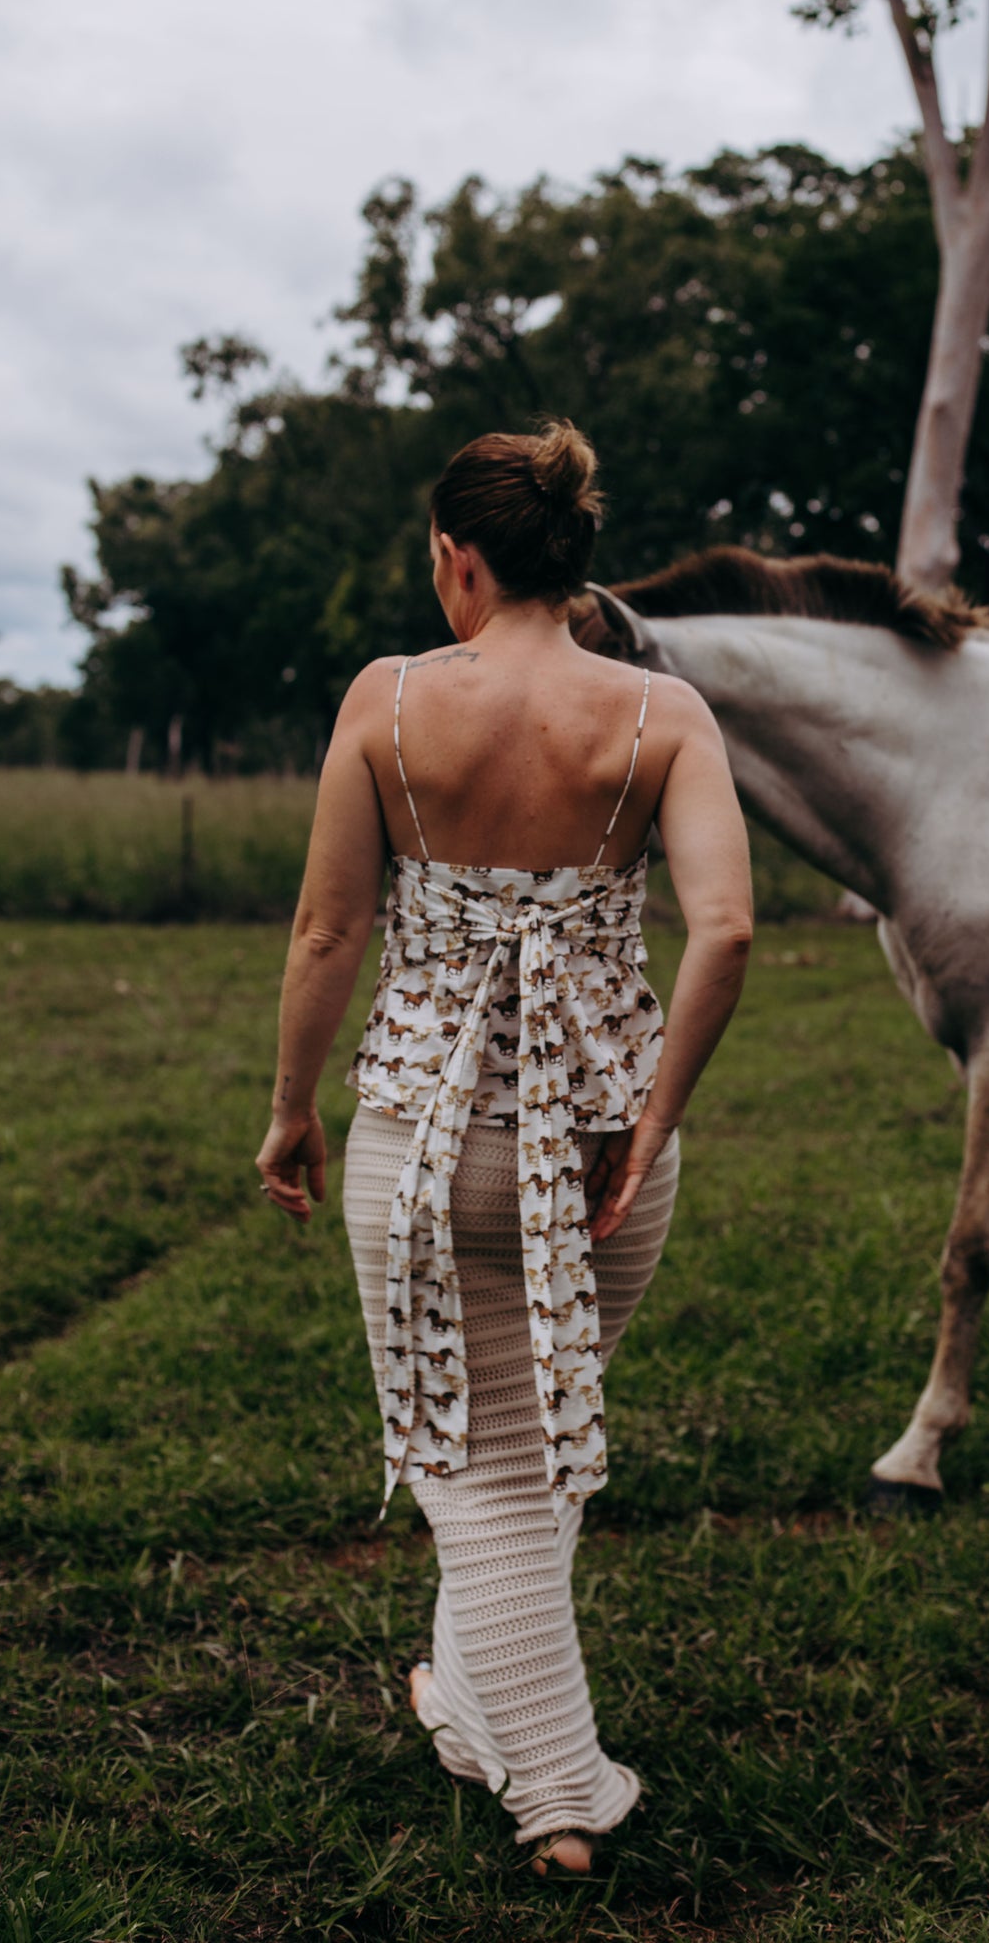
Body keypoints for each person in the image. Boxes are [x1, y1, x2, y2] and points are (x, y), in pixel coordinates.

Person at [255, 420, 752, 1876]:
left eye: (436, 562)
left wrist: (293, 1107)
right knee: (526, 1440)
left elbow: (328, 929)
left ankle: (558, 1789)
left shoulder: (391, 701)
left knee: (479, 1457)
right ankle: (471, 1703)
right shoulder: (663, 718)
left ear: (461, 561)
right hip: (609, 1146)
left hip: (421, 1140)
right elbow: (723, 926)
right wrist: (655, 1119)